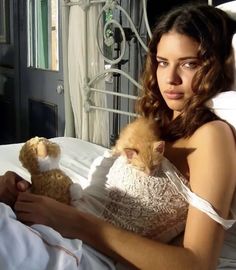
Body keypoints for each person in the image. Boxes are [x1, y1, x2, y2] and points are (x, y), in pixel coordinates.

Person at [1, 3, 236, 269]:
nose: (170, 78)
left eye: (189, 64)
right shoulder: (155, 123)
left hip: (86, 252)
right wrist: (29, 196)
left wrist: (71, 221)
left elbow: (198, 263)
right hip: (62, 231)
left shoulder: (212, 137)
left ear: (217, 66)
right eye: (162, 63)